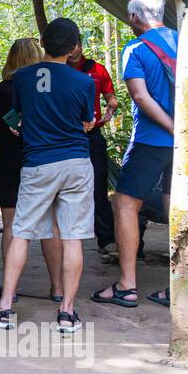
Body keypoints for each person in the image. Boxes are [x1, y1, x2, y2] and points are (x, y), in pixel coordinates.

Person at [93, 0, 188, 309]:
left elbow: (140, 95)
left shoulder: (136, 48)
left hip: (152, 141)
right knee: (178, 208)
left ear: (135, 17)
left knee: (124, 203)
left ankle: (127, 285)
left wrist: (171, 127)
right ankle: (179, 285)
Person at [0, 18, 96, 334]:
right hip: (76, 163)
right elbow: (86, 120)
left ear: (43, 43)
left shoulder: (22, 78)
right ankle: (67, 312)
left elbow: (17, 118)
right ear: (74, 49)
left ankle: (4, 307)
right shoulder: (84, 82)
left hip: (37, 163)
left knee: (20, 232)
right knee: (72, 236)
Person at [0, 37, 65, 301]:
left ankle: (12, 288)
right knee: (49, 224)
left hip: (8, 160)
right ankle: (57, 287)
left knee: (10, 225)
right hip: (42, 159)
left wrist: (9, 138)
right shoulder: (47, 88)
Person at [68, 42, 119, 252]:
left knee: (98, 187)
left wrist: (109, 110)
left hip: (92, 134)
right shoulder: (58, 69)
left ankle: (106, 239)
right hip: (65, 136)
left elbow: (111, 99)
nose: (72, 50)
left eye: (75, 45)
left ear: (80, 45)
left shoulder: (97, 69)